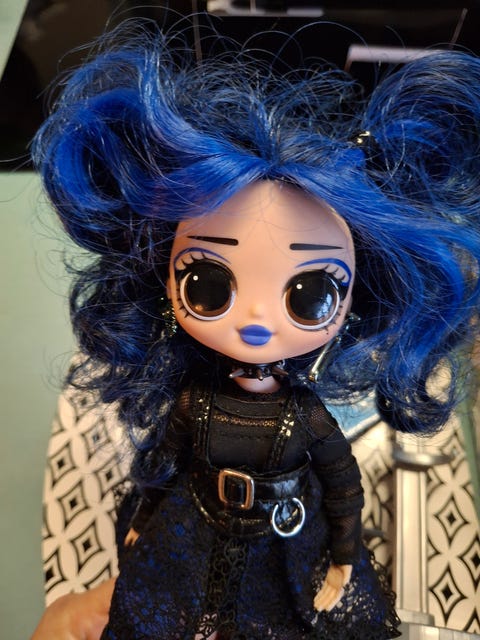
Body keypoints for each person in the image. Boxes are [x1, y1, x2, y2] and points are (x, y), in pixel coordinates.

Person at [31, 19, 480, 640]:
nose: (257, 324)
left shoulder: (306, 418)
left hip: (286, 544)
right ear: (163, 280)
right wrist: (141, 522)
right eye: (208, 284)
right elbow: (163, 466)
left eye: (310, 295)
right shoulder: (192, 404)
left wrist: (343, 558)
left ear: (359, 298)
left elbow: (342, 488)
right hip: (194, 531)